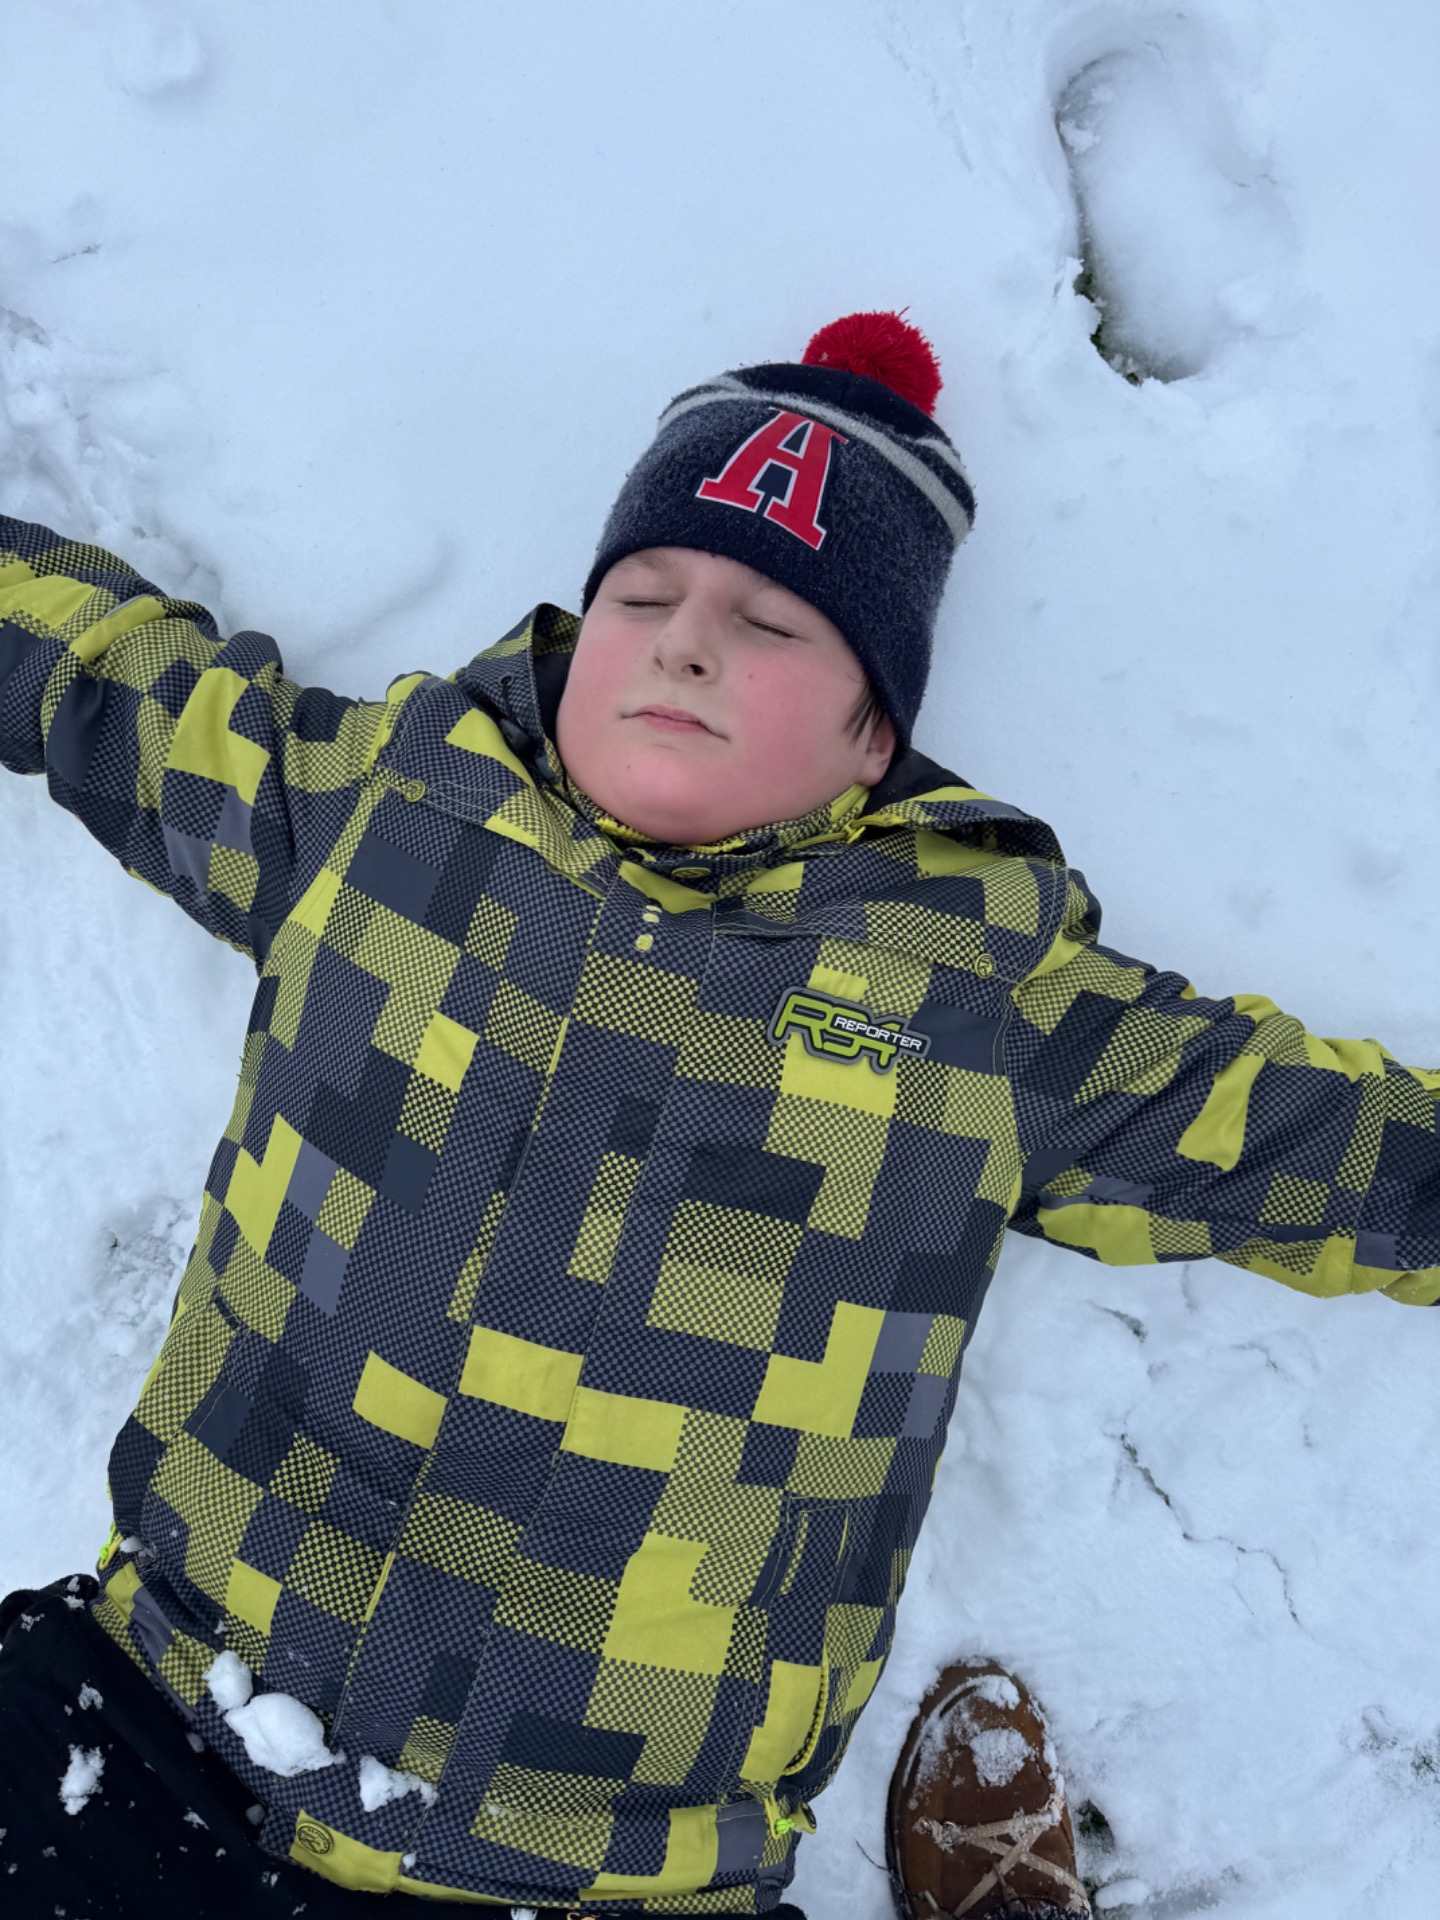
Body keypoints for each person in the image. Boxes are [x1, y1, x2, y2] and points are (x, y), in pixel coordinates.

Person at [0, 310, 1434, 1920]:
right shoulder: (378, 811)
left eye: (771, 623)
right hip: (159, 1712)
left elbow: (1307, 1144)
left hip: (600, 1861)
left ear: (873, 738)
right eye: (644, 596)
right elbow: (105, 679)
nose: (685, 643)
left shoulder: (980, 1006)